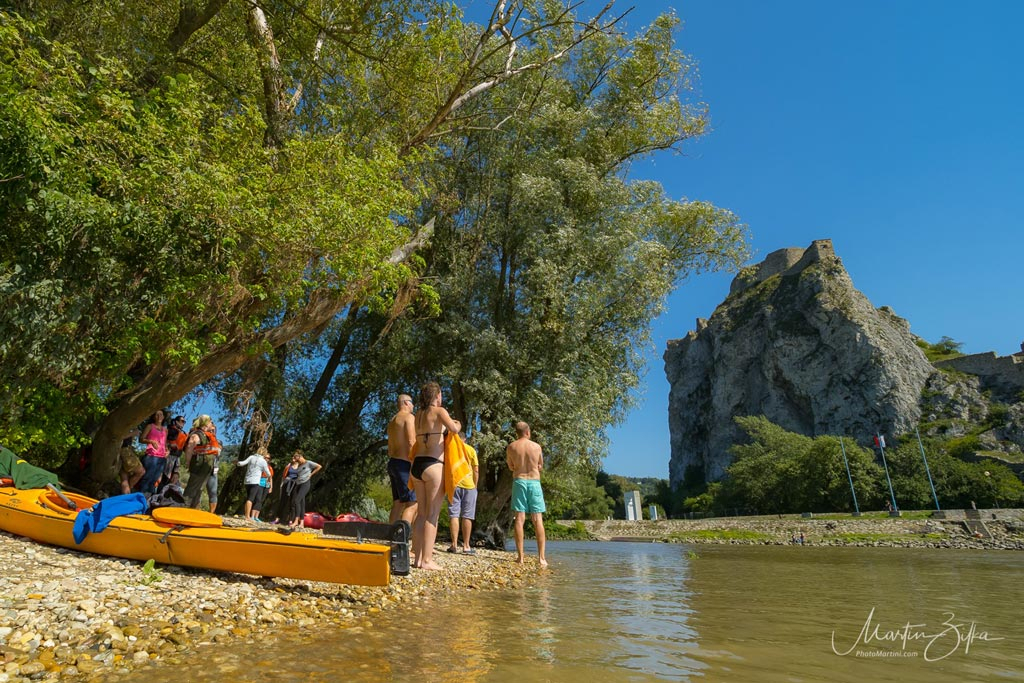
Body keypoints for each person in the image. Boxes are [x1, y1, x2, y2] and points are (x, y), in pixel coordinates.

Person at [410, 381, 461, 570]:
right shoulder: (440, 411)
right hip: (433, 465)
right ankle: (427, 560)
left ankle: (416, 559)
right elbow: (454, 429)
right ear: (437, 395)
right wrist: (457, 422)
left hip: (417, 465)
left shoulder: (418, 415)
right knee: (432, 515)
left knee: (421, 514)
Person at [507, 421, 547, 568]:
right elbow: (540, 465)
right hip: (534, 482)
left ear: (516, 433)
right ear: (528, 432)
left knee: (519, 518)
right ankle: (542, 558)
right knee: (537, 519)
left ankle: (520, 557)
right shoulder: (536, 447)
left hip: (519, 481)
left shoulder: (511, 447)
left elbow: (511, 466)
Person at [387, 393, 418, 525]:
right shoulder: (409, 417)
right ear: (405, 402)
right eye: (412, 402)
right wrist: (415, 463)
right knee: (412, 503)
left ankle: (390, 536)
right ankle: (402, 538)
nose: (413, 405)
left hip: (393, 463)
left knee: (398, 503)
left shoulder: (392, 421)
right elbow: (412, 441)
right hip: (405, 464)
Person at [447, 432, 479, 554]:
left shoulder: (450, 449)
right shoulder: (471, 450)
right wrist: (475, 486)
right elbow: (476, 469)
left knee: (454, 514)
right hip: (469, 484)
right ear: (464, 439)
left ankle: (454, 545)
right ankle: (466, 546)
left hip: (454, 484)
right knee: (467, 515)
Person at [182, 415, 221, 509]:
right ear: (205, 423)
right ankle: (183, 509)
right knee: (192, 488)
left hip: (207, 466)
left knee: (199, 489)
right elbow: (189, 449)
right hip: (199, 465)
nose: (212, 423)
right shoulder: (197, 434)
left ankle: (193, 510)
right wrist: (188, 462)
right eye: (210, 421)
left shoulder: (206, 435)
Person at [287, 450, 321, 528]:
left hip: (305, 484)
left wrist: (311, 474)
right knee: (301, 503)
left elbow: (319, 466)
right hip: (298, 484)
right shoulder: (299, 465)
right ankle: (301, 523)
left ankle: (296, 521)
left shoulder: (308, 463)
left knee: (297, 501)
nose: (296, 459)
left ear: (301, 456)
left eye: (296, 458)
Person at [137, 410, 168, 494]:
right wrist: (151, 441)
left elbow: (164, 443)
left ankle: (149, 499)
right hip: (151, 456)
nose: (159, 416)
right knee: (147, 478)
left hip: (161, 458)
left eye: (161, 415)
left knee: (154, 479)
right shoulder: (150, 426)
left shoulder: (165, 430)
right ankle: (140, 496)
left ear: (163, 417)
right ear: (154, 417)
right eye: (157, 415)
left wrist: (167, 451)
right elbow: (141, 439)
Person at [238, 449, 272, 521]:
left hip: (247, 480)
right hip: (255, 481)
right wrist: (269, 479)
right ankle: (247, 516)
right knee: (251, 499)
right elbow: (268, 473)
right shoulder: (263, 461)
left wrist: (237, 462)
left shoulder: (251, 457)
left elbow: (242, 463)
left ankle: (246, 514)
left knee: (248, 498)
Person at [117, 428, 145, 495]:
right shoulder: (124, 424)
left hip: (120, 451)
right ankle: (129, 492)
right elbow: (119, 436)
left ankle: (126, 495)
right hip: (124, 450)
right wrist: (133, 433)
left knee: (124, 478)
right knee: (141, 471)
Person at [164, 415, 188, 484]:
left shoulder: (183, 433)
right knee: (165, 476)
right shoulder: (170, 430)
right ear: (176, 421)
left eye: (184, 422)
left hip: (177, 457)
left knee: (174, 477)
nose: (183, 423)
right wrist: (170, 445)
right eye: (182, 421)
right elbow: (164, 441)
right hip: (169, 456)